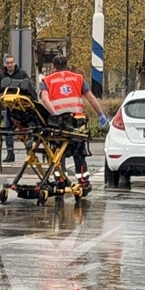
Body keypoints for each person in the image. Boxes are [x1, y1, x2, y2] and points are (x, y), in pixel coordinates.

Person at [38, 54, 109, 189]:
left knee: (58, 152)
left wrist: (55, 115)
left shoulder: (47, 81)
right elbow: (91, 98)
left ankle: (60, 181)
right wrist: (101, 115)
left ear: (53, 67)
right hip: (77, 123)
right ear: (67, 65)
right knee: (79, 153)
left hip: (58, 124)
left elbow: (45, 100)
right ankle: (83, 182)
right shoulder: (78, 78)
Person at [0, 55, 30, 163]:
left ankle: (29, 153)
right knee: (8, 130)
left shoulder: (22, 74)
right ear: (5, 64)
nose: (9, 65)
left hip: (22, 109)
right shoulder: (2, 75)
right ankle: (10, 153)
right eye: (7, 63)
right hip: (8, 108)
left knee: (26, 131)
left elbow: (29, 88)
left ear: (14, 63)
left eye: (11, 62)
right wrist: (1, 99)